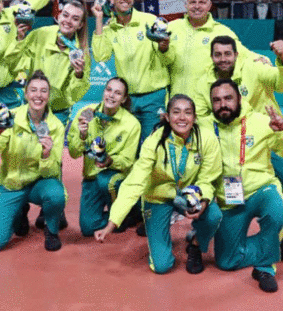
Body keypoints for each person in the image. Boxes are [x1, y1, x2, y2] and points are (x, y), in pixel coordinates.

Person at [192, 35, 283, 251]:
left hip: (267, 134)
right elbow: (202, 114)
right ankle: (204, 225)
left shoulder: (254, 68)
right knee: (209, 182)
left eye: (227, 54)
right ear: (211, 57)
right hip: (230, 140)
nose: (223, 59)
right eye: (218, 55)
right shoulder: (203, 82)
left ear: (236, 55)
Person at [94, 95, 222, 275]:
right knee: (161, 266)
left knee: (213, 215)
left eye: (188, 113)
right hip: (159, 197)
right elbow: (134, 182)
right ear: (167, 117)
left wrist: (204, 202)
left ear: (194, 117)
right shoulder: (154, 142)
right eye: (176, 112)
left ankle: (195, 245)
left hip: (191, 196)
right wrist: (112, 222)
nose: (182, 118)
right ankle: (158, 228)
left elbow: (208, 178)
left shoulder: (207, 139)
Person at [207, 79, 283, 293]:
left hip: (262, 190)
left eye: (228, 98)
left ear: (239, 99)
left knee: (276, 211)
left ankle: (265, 267)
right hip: (229, 199)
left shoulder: (261, 122)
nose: (223, 104)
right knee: (226, 261)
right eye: (217, 100)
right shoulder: (207, 128)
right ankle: (272, 245)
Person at [0, 71, 67, 252]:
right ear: (26, 94)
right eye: (33, 90)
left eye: (44, 91)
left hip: (38, 184)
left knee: (56, 194)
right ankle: (19, 210)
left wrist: (46, 155)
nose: (38, 95)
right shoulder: (8, 118)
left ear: (49, 96)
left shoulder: (56, 126)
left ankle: (51, 230)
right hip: (11, 185)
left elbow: (52, 173)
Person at [91, 0, 169, 140]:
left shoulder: (149, 20)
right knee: (129, 147)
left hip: (154, 97)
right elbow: (100, 56)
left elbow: (165, 55)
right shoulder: (109, 28)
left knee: (151, 146)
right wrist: (98, 19)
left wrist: (164, 47)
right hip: (128, 100)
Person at [67, 77, 141, 236]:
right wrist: (82, 135)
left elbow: (128, 163)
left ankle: (120, 217)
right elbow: (73, 153)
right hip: (91, 177)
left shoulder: (132, 124)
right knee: (87, 228)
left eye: (118, 93)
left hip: (116, 176)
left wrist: (110, 161)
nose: (111, 96)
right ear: (103, 91)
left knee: (106, 181)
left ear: (124, 99)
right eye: (109, 90)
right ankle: (127, 213)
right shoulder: (85, 113)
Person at [158, 0, 258, 98]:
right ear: (186, 5)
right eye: (193, 2)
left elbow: (243, 53)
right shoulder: (172, 27)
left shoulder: (222, 31)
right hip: (176, 102)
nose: (197, 6)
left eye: (202, 2)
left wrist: (261, 59)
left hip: (206, 102)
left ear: (209, 6)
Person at [10, 0, 91, 125]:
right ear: (58, 16)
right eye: (65, 15)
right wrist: (19, 40)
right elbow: (16, 63)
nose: (68, 21)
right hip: (32, 106)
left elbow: (75, 96)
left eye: (75, 19)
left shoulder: (81, 54)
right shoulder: (40, 34)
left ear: (80, 25)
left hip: (59, 114)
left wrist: (78, 75)